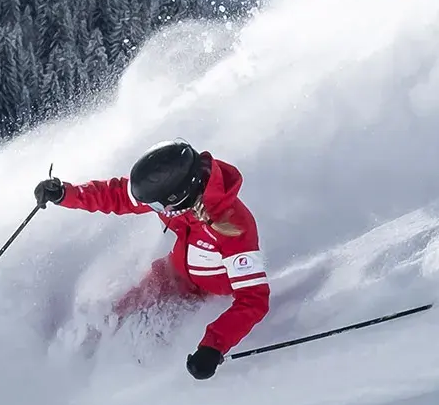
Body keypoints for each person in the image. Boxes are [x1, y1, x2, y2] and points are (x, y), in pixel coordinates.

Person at [33, 140, 268, 380]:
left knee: (145, 343)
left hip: (204, 297)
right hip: (171, 275)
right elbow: (116, 195)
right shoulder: (170, 194)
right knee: (115, 315)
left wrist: (213, 347)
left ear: (179, 198)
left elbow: (253, 299)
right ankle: (78, 360)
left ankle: (120, 383)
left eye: (156, 204)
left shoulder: (235, 227)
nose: (151, 208)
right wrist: (65, 194)